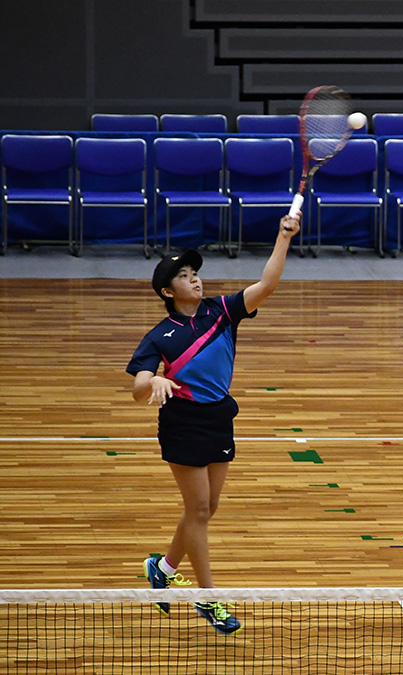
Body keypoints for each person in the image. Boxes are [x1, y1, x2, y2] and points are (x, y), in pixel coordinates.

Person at [127, 214, 299, 634]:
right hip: (182, 423)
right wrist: (157, 380)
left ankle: (164, 567)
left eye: (195, 273)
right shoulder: (160, 335)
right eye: (184, 276)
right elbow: (138, 385)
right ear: (168, 291)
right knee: (199, 509)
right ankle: (207, 598)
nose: (195, 279)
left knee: (206, 509)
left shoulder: (222, 311)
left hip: (220, 417)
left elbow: (267, 286)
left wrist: (282, 238)